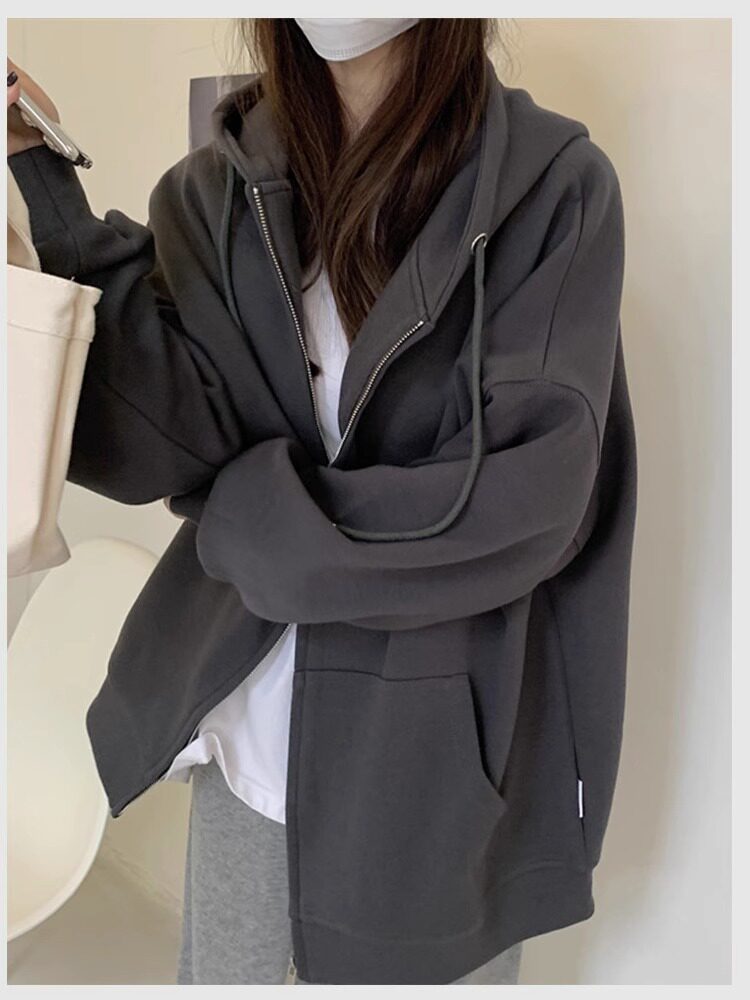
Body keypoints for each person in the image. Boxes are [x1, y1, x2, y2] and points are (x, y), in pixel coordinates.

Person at [6, 17, 637, 987]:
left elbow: (528, 500)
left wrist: (265, 531)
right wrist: (39, 167)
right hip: (249, 737)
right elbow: (165, 436)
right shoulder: (217, 186)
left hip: (432, 765)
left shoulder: (551, 189)